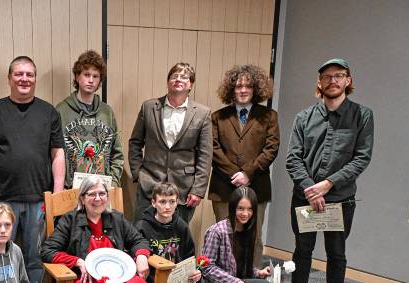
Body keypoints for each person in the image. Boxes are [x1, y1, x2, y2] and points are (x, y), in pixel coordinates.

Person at [275, 58, 374, 283]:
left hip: (340, 200)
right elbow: (293, 158)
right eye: (327, 76)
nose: (333, 80)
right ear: (319, 82)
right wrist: (312, 189)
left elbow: (361, 158)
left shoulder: (362, 116)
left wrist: (328, 184)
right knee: (302, 250)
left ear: (348, 81)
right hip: (305, 198)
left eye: (339, 75)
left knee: (336, 253)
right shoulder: (303, 117)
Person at [0, 56, 65, 283]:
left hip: (39, 199)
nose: (24, 79)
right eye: (19, 74)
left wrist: (56, 193)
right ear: (9, 78)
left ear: (35, 79)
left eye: (29, 74)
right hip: (2, 200)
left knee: (34, 258)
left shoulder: (49, 112)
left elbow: (58, 154)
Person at [210, 64, 279, 267]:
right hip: (224, 187)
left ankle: (253, 280)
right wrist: (236, 174)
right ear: (231, 89)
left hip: (257, 186)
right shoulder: (218, 117)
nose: (242, 90)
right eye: (238, 86)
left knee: (254, 238)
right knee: (224, 238)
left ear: (256, 89)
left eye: (248, 86)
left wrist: (247, 173)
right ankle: (223, 281)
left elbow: (271, 149)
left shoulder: (269, 116)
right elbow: (213, 149)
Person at [129, 62, 212, 223]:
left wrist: (198, 190)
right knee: (141, 235)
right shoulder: (149, 107)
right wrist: (138, 174)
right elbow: (135, 142)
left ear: (191, 84)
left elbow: (205, 155)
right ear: (168, 82)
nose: (178, 79)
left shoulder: (202, 113)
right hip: (149, 185)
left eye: (184, 77)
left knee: (176, 241)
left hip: (184, 190)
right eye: (174, 76)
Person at [135, 182, 208, 283]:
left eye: (172, 202)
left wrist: (194, 273)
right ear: (154, 202)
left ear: (177, 203)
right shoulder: (142, 226)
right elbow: (137, 263)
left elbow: (189, 257)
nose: (167, 206)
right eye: (162, 202)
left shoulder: (181, 226)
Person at [200, 187, 276, 283]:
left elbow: (240, 266)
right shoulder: (217, 231)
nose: (245, 213)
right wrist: (233, 282)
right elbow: (206, 268)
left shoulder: (249, 230)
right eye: (240, 208)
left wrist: (258, 272)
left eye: (249, 209)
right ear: (232, 207)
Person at [55, 50, 124, 187]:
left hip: (102, 190)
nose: (91, 80)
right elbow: (55, 153)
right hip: (72, 190)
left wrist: (113, 182)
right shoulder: (61, 110)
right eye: (86, 75)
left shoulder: (107, 112)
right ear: (77, 76)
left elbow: (117, 153)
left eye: (96, 76)